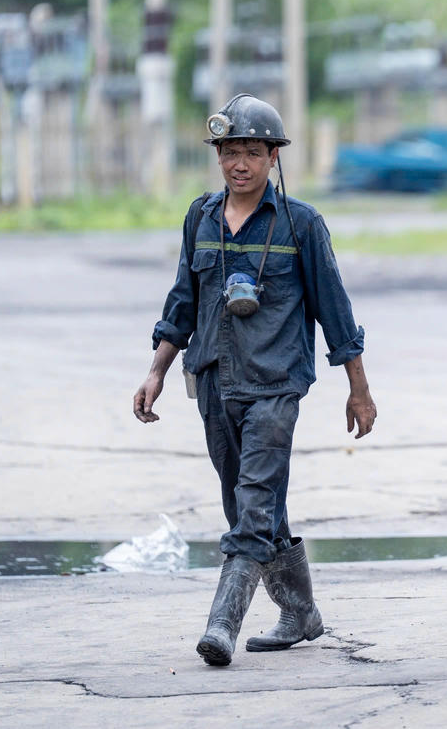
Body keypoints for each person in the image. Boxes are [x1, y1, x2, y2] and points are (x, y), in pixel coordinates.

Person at [133, 93, 377, 666]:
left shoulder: (301, 224)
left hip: (276, 384)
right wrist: (156, 370)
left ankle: (222, 625)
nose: (239, 162)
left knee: (254, 504)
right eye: (229, 152)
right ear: (218, 157)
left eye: (251, 152)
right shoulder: (201, 216)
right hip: (215, 383)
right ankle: (301, 613)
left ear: (273, 157)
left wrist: (358, 386)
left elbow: (336, 312)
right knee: (248, 503)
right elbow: (182, 302)